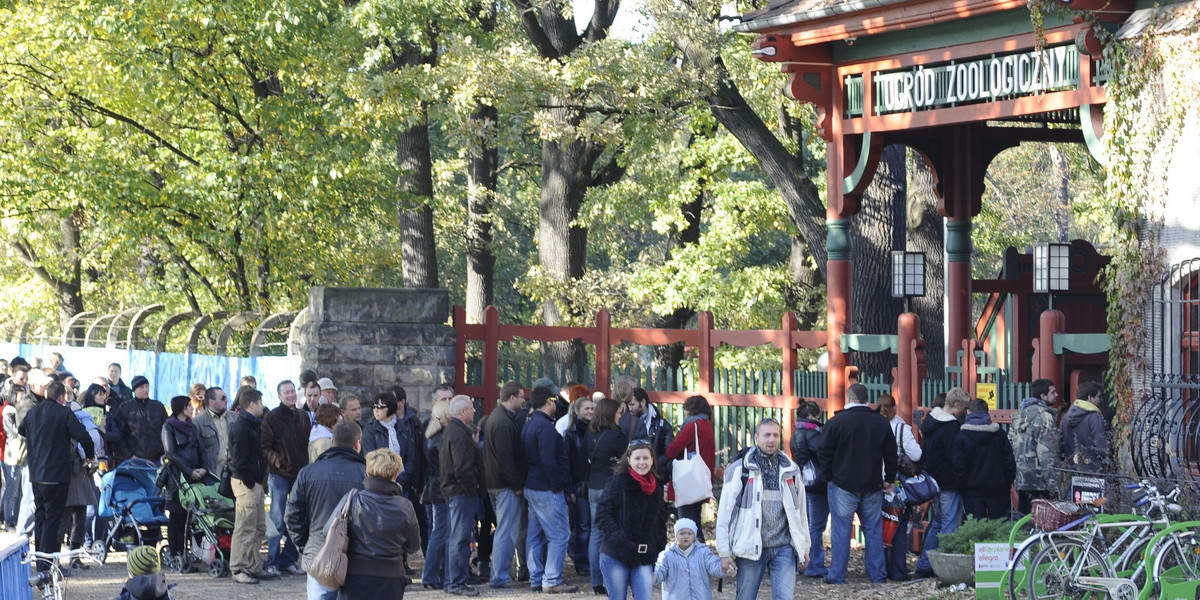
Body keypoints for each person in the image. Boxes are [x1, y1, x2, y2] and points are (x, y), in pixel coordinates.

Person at [716, 418, 810, 600]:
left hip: (783, 547)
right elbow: (725, 514)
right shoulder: (740, 470)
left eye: (775, 435)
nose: (771, 440)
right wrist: (724, 552)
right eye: (767, 435)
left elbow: (801, 514)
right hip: (750, 548)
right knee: (745, 597)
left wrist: (804, 547)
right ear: (756, 438)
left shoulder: (791, 470)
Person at [817, 383, 895, 585]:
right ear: (867, 399)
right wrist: (889, 480)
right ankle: (878, 575)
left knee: (841, 530)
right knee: (873, 530)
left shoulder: (837, 422)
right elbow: (891, 453)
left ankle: (837, 575)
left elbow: (823, 451)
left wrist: (828, 476)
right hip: (872, 484)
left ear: (848, 398)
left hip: (842, 484)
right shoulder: (880, 422)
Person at [286, 420, 367, 600]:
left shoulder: (308, 472)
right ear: (357, 444)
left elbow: (292, 515)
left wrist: (304, 543)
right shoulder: (366, 475)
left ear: (332, 441)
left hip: (318, 554)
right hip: (355, 558)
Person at [19, 380, 94, 571]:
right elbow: (83, 435)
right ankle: (48, 564)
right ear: (61, 397)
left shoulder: (33, 412)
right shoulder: (64, 413)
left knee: (41, 516)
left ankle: (39, 561)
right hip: (57, 476)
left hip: (36, 475)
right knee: (54, 519)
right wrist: (90, 455)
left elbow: (21, 429)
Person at [341, 448, 422, 600]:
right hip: (391, 576)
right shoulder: (405, 506)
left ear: (368, 473)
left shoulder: (352, 499)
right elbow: (413, 546)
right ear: (395, 475)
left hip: (355, 574)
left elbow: (329, 532)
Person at [594, 442, 669, 600]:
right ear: (629, 460)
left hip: (644, 556)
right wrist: (618, 538)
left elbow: (659, 521)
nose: (642, 462)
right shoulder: (618, 482)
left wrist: (658, 548)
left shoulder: (656, 487)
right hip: (616, 553)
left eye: (645, 458)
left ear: (652, 460)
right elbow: (602, 514)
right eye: (637, 458)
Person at [522, 385, 578, 594]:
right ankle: (552, 579)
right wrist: (557, 486)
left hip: (533, 485)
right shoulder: (545, 427)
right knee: (559, 534)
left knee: (535, 535)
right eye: (554, 401)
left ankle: (537, 577)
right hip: (546, 488)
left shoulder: (530, 424)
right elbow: (548, 460)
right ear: (549, 402)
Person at [914, 387, 970, 579]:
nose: (966, 412)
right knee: (949, 525)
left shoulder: (931, 421)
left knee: (938, 523)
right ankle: (944, 568)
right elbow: (955, 458)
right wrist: (961, 479)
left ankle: (924, 565)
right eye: (964, 408)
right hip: (949, 482)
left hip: (935, 481)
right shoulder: (951, 427)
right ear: (956, 405)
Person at [227, 387, 280, 585]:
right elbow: (239, 459)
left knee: (258, 528)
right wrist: (250, 482)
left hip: (254, 483)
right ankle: (239, 568)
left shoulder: (251, 424)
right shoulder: (241, 426)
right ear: (252, 404)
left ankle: (253, 565)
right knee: (245, 528)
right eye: (260, 403)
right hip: (246, 483)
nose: (263, 406)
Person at [261, 380, 311, 576]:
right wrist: (279, 461)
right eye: (286, 392)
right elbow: (264, 446)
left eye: (292, 391)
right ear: (279, 395)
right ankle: (272, 561)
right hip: (279, 475)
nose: (291, 395)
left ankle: (289, 559)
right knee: (277, 520)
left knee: (297, 518)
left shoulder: (303, 416)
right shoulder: (271, 417)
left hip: (300, 475)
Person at [483, 381, 528, 589]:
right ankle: (499, 575)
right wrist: (517, 484)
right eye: (520, 396)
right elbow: (505, 459)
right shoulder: (503, 423)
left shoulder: (497, 418)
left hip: (496, 483)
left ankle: (499, 573)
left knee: (504, 529)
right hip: (505, 486)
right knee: (506, 531)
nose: (523, 399)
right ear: (512, 398)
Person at [440, 395, 484, 596]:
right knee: (460, 538)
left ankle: (452, 581)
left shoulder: (454, 431)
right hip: (460, 493)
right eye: (472, 407)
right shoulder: (459, 434)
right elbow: (462, 468)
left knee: (454, 538)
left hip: (454, 491)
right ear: (462, 411)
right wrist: (472, 487)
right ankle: (456, 582)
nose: (474, 411)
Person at [585, 397, 628, 594]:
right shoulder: (617, 435)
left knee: (595, 533)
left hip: (593, 485)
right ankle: (610, 577)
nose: (620, 415)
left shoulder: (589, 432)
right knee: (611, 531)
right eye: (618, 412)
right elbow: (625, 462)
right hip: (610, 487)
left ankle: (596, 580)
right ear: (611, 413)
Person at [877, 393, 922, 581]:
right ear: (895, 408)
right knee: (899, 525)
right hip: (896, 484)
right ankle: (897, 570)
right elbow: (916, 454)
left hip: (875, 482)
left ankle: (879, 569)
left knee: (877, 526)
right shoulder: (902, 429)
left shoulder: (873, 425)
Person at [160, 395, 207, 570]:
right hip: (177, 479)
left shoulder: (192, 426)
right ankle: (176, 554)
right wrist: (189, 471)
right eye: (188, 405)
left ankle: (189, 553)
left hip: (196, 477)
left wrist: (205, 468)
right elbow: (171, 453)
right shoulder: (169, 426)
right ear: (180, 408)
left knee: (192, 518)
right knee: (177, 519)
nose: (191, 408)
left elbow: (201, 449)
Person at [953, 398, 1016, 519]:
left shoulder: (961, 437)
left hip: (972, 491)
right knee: (1000, 528)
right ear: (987, 412)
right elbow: (1009, 461)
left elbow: (959, 467)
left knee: (976, 530)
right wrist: (1007, 482)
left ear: (969, 412)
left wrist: (962, 487)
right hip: (998, 489)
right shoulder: (999, 434)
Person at [664, 395, 715, 543]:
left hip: (688, 480)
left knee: (687, 523)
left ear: (690, 409)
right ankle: (701, 556)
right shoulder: (706, 425)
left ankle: (695, 558)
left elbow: (672, 451)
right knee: (695, 521)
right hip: (700, 480)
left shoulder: (693, 425)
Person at [1009, 379, 1061, 513]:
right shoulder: (1045, 418)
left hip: (1021, 478)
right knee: (1041, 524)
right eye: (1052, 392)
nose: (1056, 395)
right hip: (1040, 480)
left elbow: (1011, 445)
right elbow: (1047, 454)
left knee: (1025, 522)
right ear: (1043, 397)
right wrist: (1053, 483)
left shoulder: (1018, 417)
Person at [789, 400, 827, 578]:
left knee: (804, 523)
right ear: (812, 416)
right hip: (818, 484)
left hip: (803, 481)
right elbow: (824, 454)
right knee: (816, 527)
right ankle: (814, 564)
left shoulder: (796, 432)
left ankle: (801, 562)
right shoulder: (814, 434)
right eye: (818, 416)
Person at [421, 397, 452, 591]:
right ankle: (431, 575)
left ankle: (433, 574)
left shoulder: (430, 436)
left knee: (437, 532)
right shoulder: (440, 439)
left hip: (433, 489)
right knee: (440, 533)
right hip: (440, 490)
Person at [653, 518, 724, 600]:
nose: (686, 536)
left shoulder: (703, 552)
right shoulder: (667, 555)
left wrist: (725, 568)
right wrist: (653, 575)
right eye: (682, 533)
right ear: (676, 535)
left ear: (694, 536)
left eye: (689, 533)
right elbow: (661, 570)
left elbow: (713, 565)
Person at [563, 394, 594, 577]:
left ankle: (590, 559)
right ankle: (581, 561)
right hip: (578, 484)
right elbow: (567, 462)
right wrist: (570, 488)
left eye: (592, 408)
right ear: (577, 411)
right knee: (582, 524)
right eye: (587, 409)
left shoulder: (597, 431)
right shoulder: (571, 433)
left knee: (593, 524)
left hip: (594, 483)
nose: (590, 411)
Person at [106, 375, 168, 467]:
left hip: (158, 459)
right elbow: (120, 435)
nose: (146, 389)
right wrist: (129, 455)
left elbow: (166, 431)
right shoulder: (125, 408)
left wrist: (166, 452)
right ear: (134, 390)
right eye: (142, 387)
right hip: (135, 459)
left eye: (147, 386)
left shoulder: (158, 407)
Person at [1061, 381, 1110, 473]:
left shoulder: (1066, 416)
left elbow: (1061, 444)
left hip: (1070, 468)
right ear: (1090, 398)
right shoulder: (1095, 416)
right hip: (1092, 469)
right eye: (1099, 396)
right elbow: (1101, 446)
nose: (1101, 400)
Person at [192, 386, 235, 476]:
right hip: (212, 475)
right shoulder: (198, 422)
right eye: (223, 398)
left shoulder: (234, 417)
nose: (226, 400)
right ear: (211, 402)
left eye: (226, 397)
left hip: (234, 473)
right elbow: (194, 450)